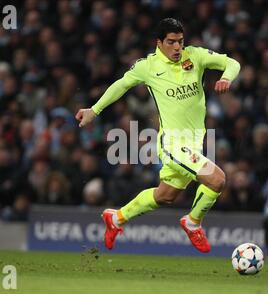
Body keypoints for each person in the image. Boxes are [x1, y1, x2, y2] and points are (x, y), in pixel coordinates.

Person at [75, 18, 240, 253]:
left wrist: (226, 78)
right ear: (159, 43)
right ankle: (192, 223)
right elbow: (121, 85)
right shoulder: (148, 67)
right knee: (217, 179)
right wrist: (94, 110)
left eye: (180, 42)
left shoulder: (195, 56)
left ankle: (117, 218)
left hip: (194, 143)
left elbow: (232, 63)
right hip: (172, 144)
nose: (177, 48)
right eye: (171, 42)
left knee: (165, 195)